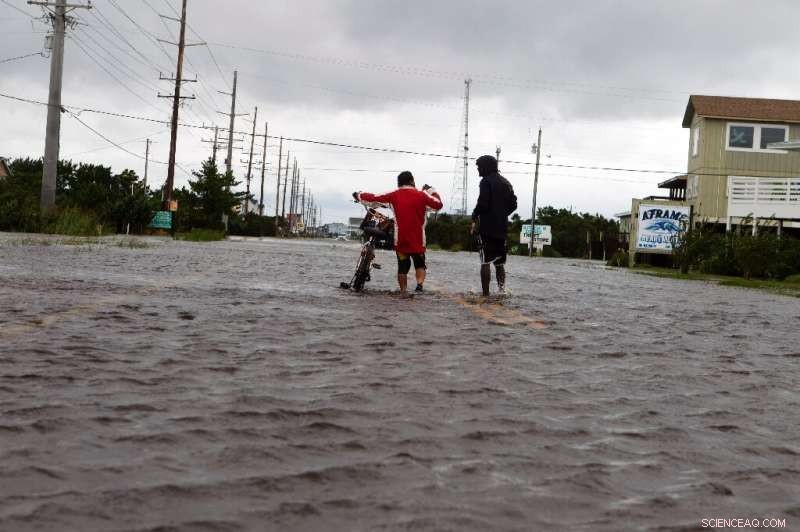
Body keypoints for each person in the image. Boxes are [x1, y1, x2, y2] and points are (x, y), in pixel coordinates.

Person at [355, 171, 443, 292]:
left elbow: (373, 198)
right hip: (418, 239)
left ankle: (403, 291)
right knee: (419, 264)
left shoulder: (393, 195)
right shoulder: (422, 196)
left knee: (402, 267)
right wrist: (431, 190)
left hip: (401, 239)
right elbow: (438, 205)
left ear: (399, 183)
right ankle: (419, 286)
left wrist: (359, 195)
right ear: (412, 181)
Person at [470, 155, 517, 296]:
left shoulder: (485, 181)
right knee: (499, 262)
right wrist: (502, 214)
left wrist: (474, 215)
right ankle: (502, 291)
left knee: (485, 261)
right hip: (502, 228)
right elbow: (514, 204)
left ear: (486, 167)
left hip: (487, 228)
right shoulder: (506, 182)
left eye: (479, 167)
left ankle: (485, 295)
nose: (478, 170)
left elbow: (483, 204)